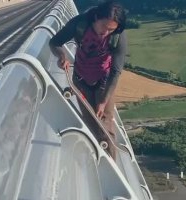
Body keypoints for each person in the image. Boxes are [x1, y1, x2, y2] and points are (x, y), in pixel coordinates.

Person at [49, 0, 127, 160]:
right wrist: (62, 56)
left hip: (104, 82)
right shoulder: (80, 24)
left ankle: (112, 166)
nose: (106, 33)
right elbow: (55, 42)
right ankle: (95, 161)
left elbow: (116, 71)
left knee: (106, 130)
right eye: (104, 27)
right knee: (90, 125)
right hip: (80, 80)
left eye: (111, 30)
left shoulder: (118, 36)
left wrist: (104, 101)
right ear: (96, 17)